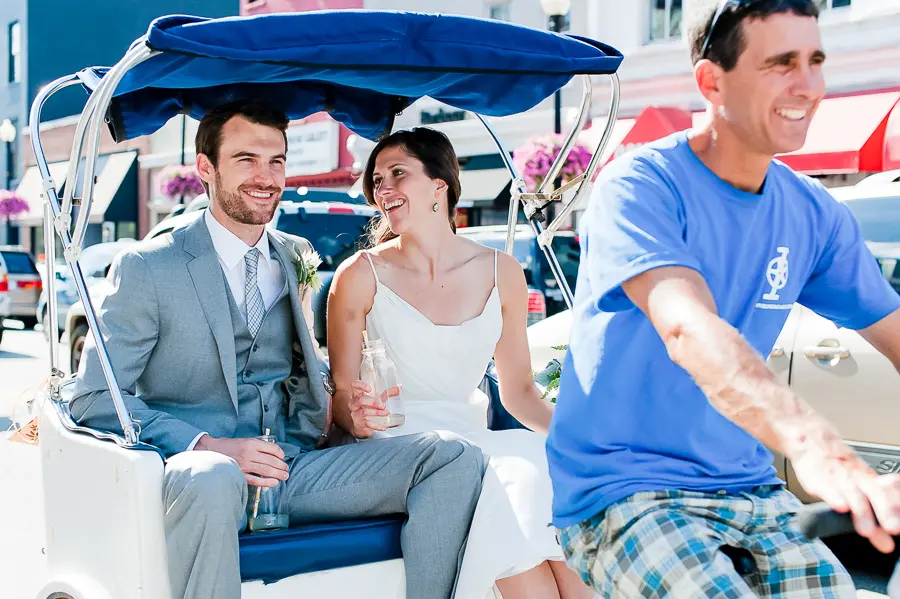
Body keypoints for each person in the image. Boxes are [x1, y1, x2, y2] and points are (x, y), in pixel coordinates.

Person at [547, 1, 900, 597]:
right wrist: (814, 444)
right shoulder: (640, 186)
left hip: (749, 487)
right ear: (712, 80)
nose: (808, 85)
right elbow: (690, 330)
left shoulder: (813, 212)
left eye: (814, 60)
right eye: (781, 63)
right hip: (624, 490)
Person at [69, 100, 485, 599]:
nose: (266, 177)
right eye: (246, 159)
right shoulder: (148, 267)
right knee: (210, 477)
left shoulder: (292, 257)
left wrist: (344, 406)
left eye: (277, 161)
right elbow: (93, 397)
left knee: (452, 455)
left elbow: (296, 373)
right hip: (203, 476)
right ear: (206, 168)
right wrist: (209, 446)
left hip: (295, 467)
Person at [327, 127, 593, 599]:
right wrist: (358, 415)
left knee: (541, 464)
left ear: (439, 185)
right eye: (377, 179)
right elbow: (344, 399)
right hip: (400, 447)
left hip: (475, 437)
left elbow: (520, 394)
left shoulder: (502, 272)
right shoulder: (359, 275)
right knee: (509, 470)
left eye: (397, 174)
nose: (382, 188)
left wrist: (588, 440)